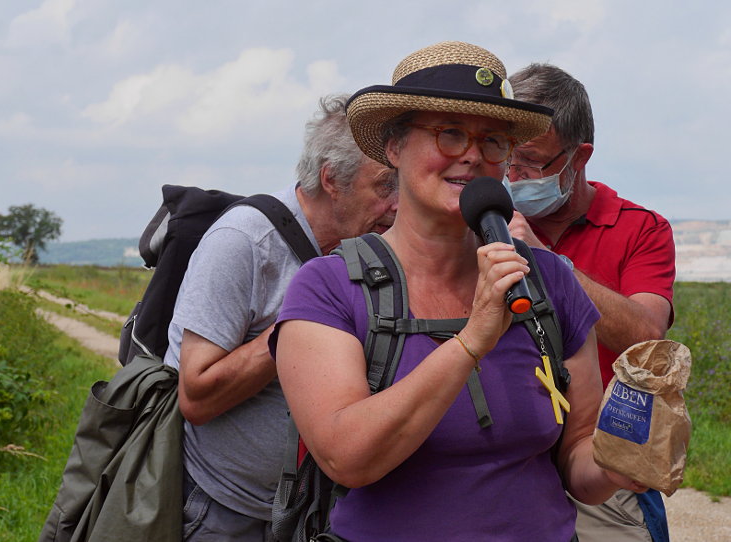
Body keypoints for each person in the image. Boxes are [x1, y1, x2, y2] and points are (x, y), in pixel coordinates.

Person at [272, 41, 646, 542]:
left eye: (494, 141)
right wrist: (472, 340)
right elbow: (348, 458)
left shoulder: (549, 282)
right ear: (394, 147)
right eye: (450, 133)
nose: (472, 155)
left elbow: (576, 449)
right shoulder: (330, 288)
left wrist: (615, 465)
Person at [163, 93, 398, 541]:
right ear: (332, 179)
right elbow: (196, 396)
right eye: (385, 186)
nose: (397, 205)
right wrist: (300, 322)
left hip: (316, 511)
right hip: (225, 511)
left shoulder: (373, 248)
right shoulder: (246, 242)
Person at [507, 64, 675, 542]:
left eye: (530, 162)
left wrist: (547, 262)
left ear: (579, 157)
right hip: (509, 456)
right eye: (503, 159)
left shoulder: (641, 229)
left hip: (601, 466)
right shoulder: (484, 219)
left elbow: (646, 340)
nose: (513, 176)